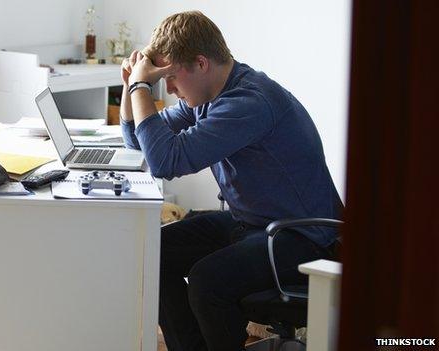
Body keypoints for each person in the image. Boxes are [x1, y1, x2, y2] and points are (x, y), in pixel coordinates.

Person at [119, 10, 343, 351]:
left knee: (209, 281)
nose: (169, 87)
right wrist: (129, 88)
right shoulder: (206, 96)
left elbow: (166, 162)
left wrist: (141, 87)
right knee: (153, 252)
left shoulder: (248, 102)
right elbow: (141, 144)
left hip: (302, 236)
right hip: (254, 224)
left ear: (201, 63)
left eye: (171, 76)